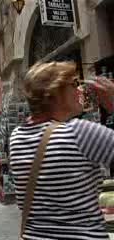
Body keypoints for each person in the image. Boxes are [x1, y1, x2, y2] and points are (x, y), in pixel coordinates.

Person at [10, 61, 114, 240]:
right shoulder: (79, 132)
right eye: (74, 84)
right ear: (53, 93)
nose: (80, 90)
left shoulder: (17, 137)